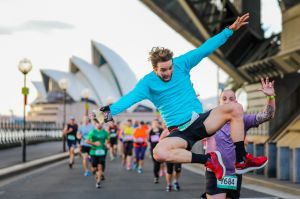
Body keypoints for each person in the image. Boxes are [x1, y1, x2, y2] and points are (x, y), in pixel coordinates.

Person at [91, 13, 266, 180]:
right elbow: (128, 99)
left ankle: (242, 159)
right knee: (159, 153)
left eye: (169, 68)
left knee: (235, 108)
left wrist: (230, 30)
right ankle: (209, 160)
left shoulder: (182, 63)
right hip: (179, 132)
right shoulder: (147, 83)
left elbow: (206, 49)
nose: (168, 73)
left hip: (200, 121)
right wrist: (102, 114)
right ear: (154, 69)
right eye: (163, 70)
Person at [201, 77, 276, 199]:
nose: (227, 101)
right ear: (219, 103)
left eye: (231, 99)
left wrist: (270, 97)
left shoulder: (242, 119)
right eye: (224, 99)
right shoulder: (210, 118)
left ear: (236, 102)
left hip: (234, 173)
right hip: (215, 172)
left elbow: (267, 115)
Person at [86, 120, 109, 189]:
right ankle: (96, 172)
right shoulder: (92, 132)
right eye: (98, 123)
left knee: (100, 166)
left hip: (102, 152)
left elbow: (108, 139)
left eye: (101, 123)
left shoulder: (105, 132)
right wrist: (94, 143)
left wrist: (107, 144)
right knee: (93, 167)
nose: (100, 124)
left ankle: (98, 182)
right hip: (93, 152)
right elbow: (87, 141)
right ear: (96, 124)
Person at [160, 126, 182, 192]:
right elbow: (160, 141)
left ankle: (175, 181)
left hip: (178, 153)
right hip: (168, 153)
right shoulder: (166, 131)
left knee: (178, 169)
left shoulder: (181, 129)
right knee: (169, 170)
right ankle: (169, 184)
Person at [148, 119, 163, 183]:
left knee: (159, 163)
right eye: (153, 123)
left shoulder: (161, 130)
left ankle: (161, 171)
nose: (155, 124)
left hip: (161, 149)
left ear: (158, 124)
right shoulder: (150, 131)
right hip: (153, 149)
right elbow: (148, 140)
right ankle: (156, 177)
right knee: (155, 163)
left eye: (156, 123)